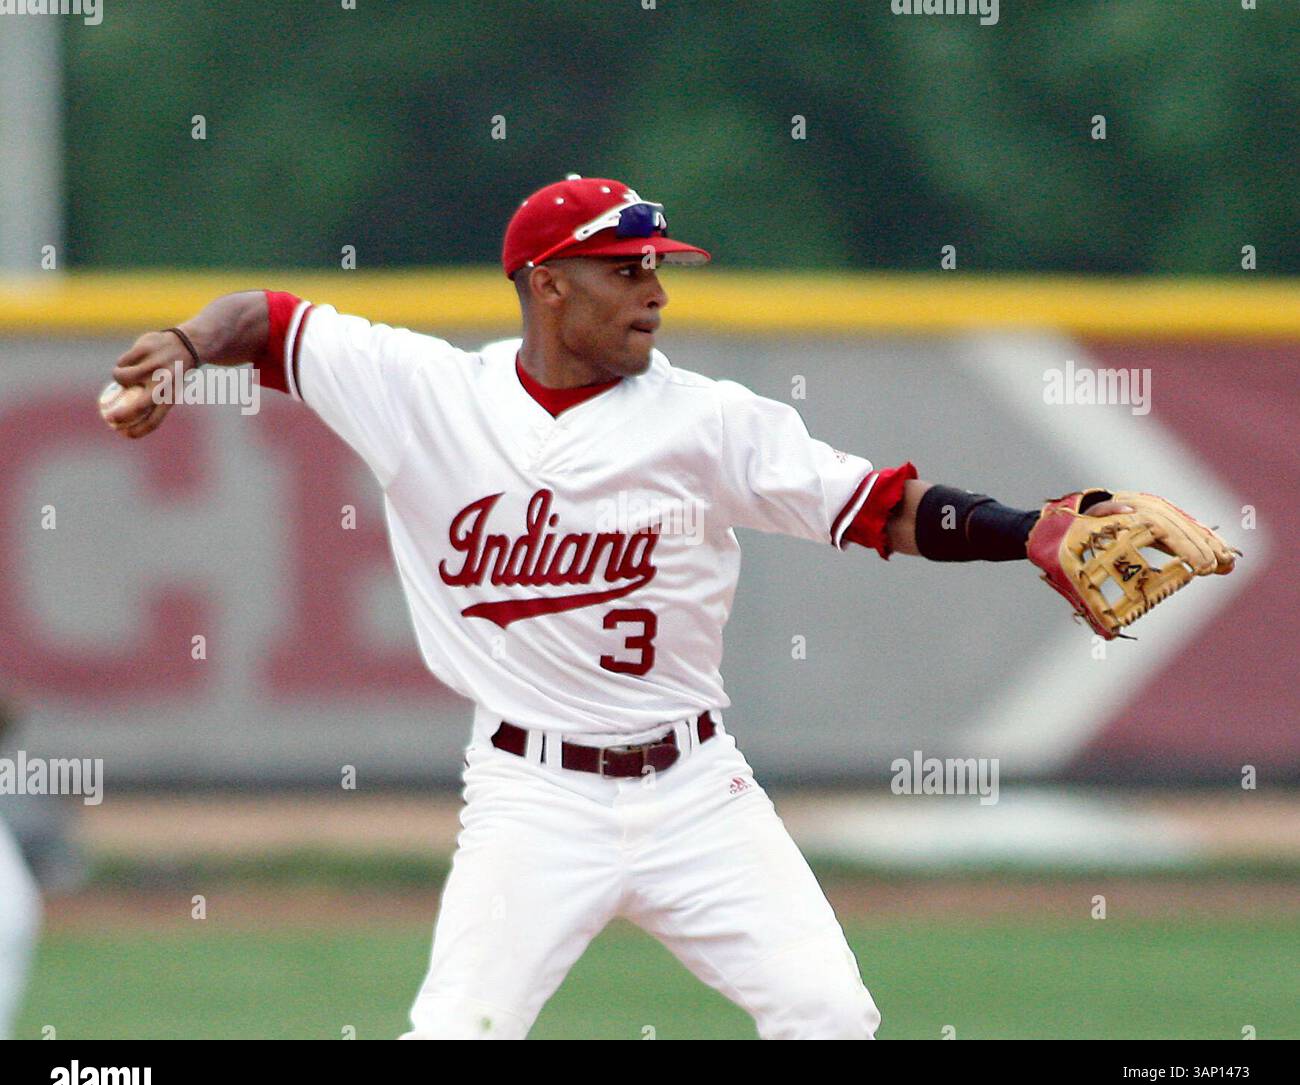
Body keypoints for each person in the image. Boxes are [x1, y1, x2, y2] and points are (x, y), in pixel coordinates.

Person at [100, 176, 1234, 1039]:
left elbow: (877, 506)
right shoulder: (427, 393)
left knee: (832, 1017)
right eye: (626, 269)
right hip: (531, 794)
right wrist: (188, 347)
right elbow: (268, 317)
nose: (656, 290)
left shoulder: (704, 420)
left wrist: (1024, 528)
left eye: (657, 267)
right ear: (549, 282)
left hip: (697, 790)